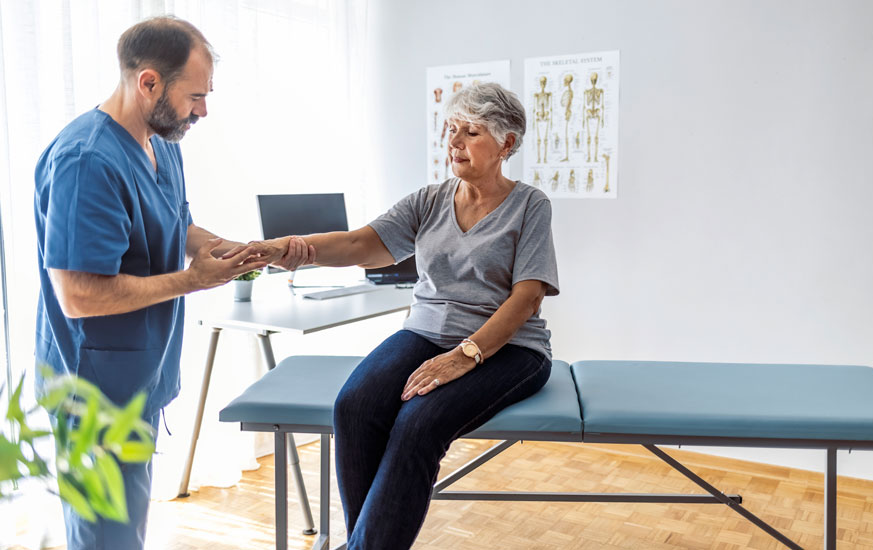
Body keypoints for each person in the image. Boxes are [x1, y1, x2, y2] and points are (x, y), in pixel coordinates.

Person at [33, 16, 312, 550]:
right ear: (149, 83)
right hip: (93, 395)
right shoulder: (86, 161)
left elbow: (172, 222)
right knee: (105, 540)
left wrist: (224, 249)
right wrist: (193, 280)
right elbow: (79, 294)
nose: (203, 111)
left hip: (137, 378)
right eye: (196, 96)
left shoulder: (162, 142)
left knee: (127, 531)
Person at [267, 82, 559, 549]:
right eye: (452, 130)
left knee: (418, 424)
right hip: (426, 332)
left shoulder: (530, 205)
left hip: (509, 348)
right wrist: (291, 250)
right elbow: (362, 243)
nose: (455, 142)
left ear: (506, 143)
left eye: (472, 132)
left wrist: (463, 356)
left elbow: (527, 297)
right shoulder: (430, 200)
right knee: (355, 406)